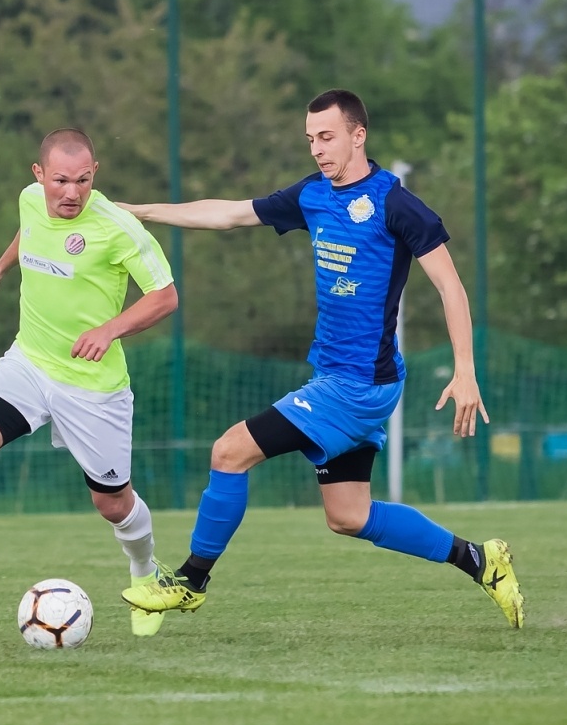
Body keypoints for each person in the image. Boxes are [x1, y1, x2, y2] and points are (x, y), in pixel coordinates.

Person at [118, 89, 524, 631]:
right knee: (349, 517)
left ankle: (191, 581)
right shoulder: (313, 196)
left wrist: (466, 371)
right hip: (344, 379)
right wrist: (140, 212)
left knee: (229, 451)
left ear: (359, 135)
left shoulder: (395, 203)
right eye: (310, 139)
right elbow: (230, 213)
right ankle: (481, 560)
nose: (316, 148)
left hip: (356, 386)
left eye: (327, 137)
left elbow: (451, 287)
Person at [0, 129, 179, 633]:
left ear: (96, 174)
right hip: (29, 362)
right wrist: (2, 265)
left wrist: (110, 329)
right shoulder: (30, 201)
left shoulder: (118, 227)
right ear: (38, 176)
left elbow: (165, 296)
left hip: (93, 385)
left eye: (84, 181)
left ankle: (147, 577)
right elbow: (29, 232)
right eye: (61, 181)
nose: (72, 193)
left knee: (112, 503)